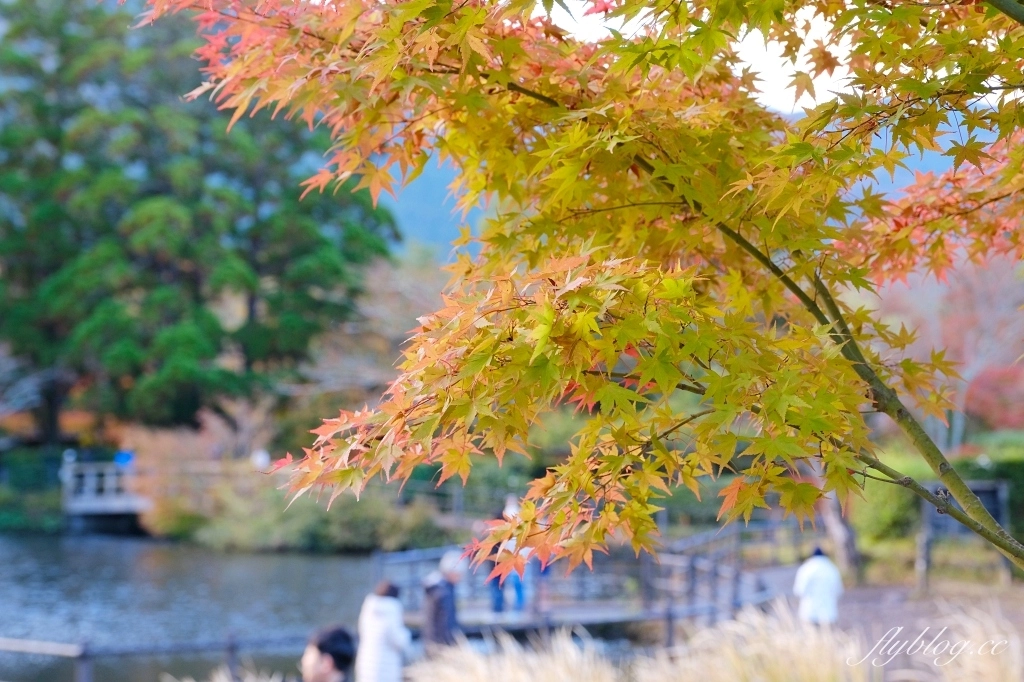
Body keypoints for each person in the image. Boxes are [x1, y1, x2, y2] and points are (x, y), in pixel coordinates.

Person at [356, 581, 411, 682]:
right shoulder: (392, 610)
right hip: (386, 667)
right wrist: (408, 634)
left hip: (366, 663)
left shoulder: (368, 608)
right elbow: (398, 641)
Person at [421, 550, 466, 648]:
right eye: (459, 574)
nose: (460, 578)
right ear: (450, 572)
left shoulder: (439, 588)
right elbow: (446, 622)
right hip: (441, 644)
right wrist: (452, 644)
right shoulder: (442, 592)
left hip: (432, 641)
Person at [792, 547, 844, 625]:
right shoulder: (832, 569)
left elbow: (799, 590)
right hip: (828, 613)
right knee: (827, 635)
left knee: (811, 636)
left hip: (810, 612)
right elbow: (839, 590)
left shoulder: (806, 569)